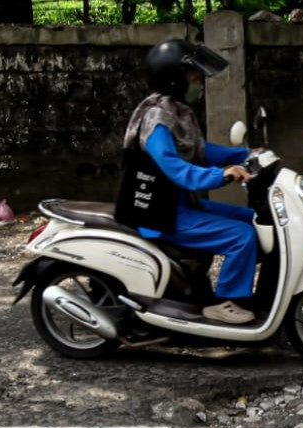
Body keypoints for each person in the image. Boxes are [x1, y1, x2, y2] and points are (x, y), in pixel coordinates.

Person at [118, 38, 258, 325]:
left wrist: (245, 154)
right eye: (194, 77)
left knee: (255, 220)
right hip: (163, 214)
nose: (199, 83)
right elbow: (177, 169)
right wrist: (223, 174)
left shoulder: (177, 111)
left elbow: (201, 151)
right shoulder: (157, 119)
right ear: (173, 80)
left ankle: (243, 291)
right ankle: (225, 303)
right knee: (241, 236)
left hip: (183, 205)